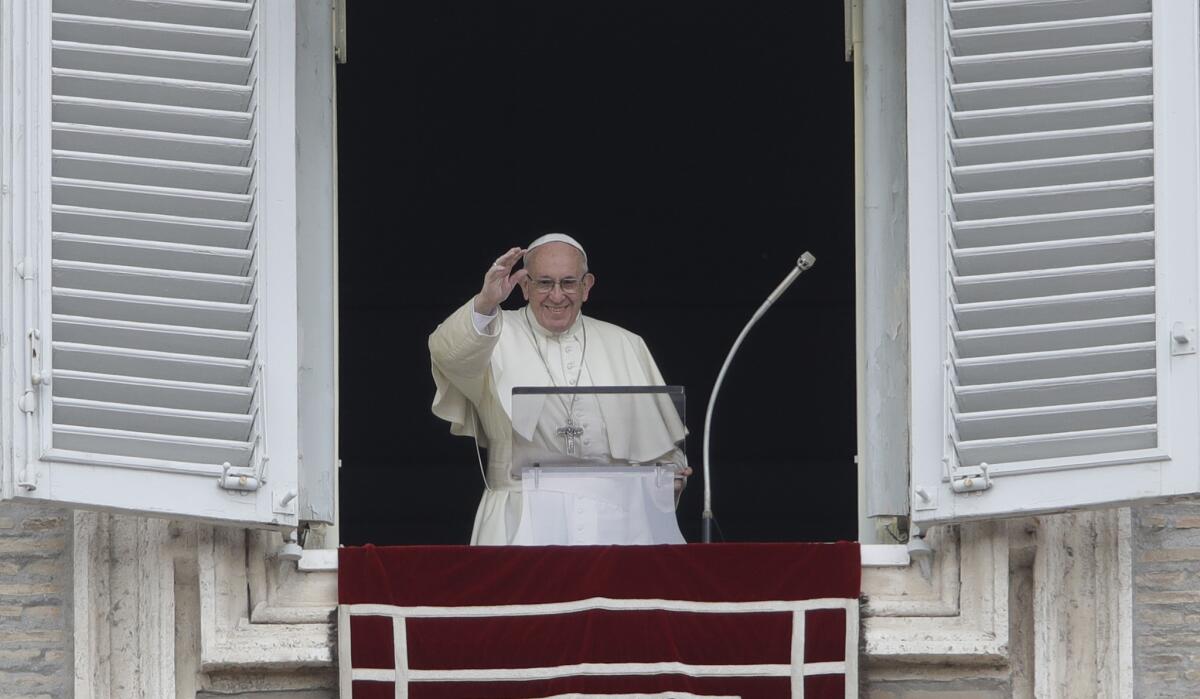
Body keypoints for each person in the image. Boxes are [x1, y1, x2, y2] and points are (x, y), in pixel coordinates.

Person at [428, 233, 690, 545]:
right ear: (525, 287)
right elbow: (447, 354)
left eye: (568, 282)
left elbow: (661, 452)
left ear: (586, 286)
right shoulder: (492, 334)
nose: (556, 295)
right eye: (543, 283)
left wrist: (669, 478)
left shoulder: (624, 343)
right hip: (521, 516)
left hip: (617, 522)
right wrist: (485, 303)